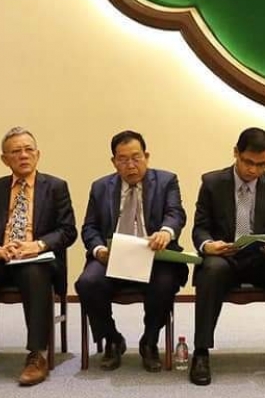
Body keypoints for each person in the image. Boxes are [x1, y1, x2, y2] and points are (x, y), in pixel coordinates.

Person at [0, 127, 77, 388]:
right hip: (0, 256)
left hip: (36, 257)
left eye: (29, 150)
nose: (23, 155)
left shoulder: (55, 187)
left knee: (34, 273)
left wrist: (37, 245)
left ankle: (37, 355)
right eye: (16, 151)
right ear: (4, 159)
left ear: (38, 154)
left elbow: (67, 230)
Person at [190, 127, 265, 386]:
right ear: (236, 153)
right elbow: (200, 228)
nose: (253, 170)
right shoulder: (212, 182)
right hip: (224, 257)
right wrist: (208, 245)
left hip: (261, 258)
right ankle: (201, 352)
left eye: (261, 164)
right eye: (248, 162)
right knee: (211, 270)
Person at [75, 130, 188, 372]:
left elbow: (175, 213)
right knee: (87, 283)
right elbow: (89, 227)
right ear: (114, 161)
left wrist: (166, 232)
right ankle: (112, 339)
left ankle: (150, 341)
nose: (131, 165)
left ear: (146, 156)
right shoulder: (100, 187)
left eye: (136, 158)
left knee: (165, 283)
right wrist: (99, 250)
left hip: (154, 257)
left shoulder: (166, 181)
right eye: (123, 159)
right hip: (113, 258)